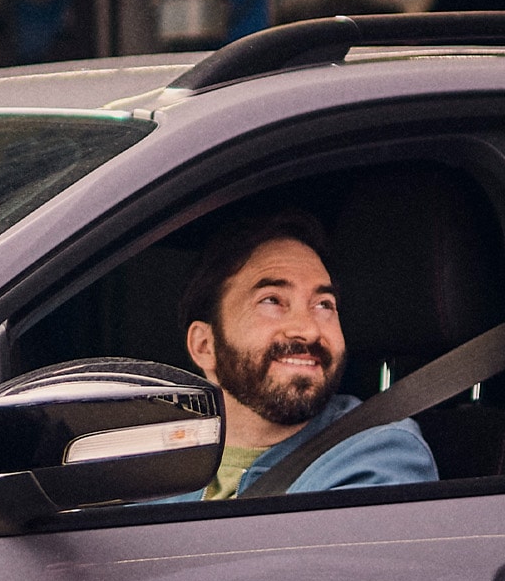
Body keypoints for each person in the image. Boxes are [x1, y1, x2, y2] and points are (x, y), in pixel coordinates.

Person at [160, 209, 437, 500]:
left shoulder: (380, 454)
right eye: (272, 301)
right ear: (205, 346)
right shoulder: (156, 463)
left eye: (323, 305)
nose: (308, 331)